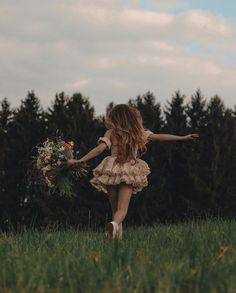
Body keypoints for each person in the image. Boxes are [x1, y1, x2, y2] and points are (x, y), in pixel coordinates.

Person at [68, 104, 198, 240]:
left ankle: (114, 238)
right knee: (122, 210)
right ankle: (113, 226)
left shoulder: (111, 133)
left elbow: (99, 149)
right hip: (129, 170)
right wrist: (182, 137)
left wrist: (79, 160)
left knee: (115, 210)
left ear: (115, 118)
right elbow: (160, 136)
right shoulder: (138, 133)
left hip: (111, 169)